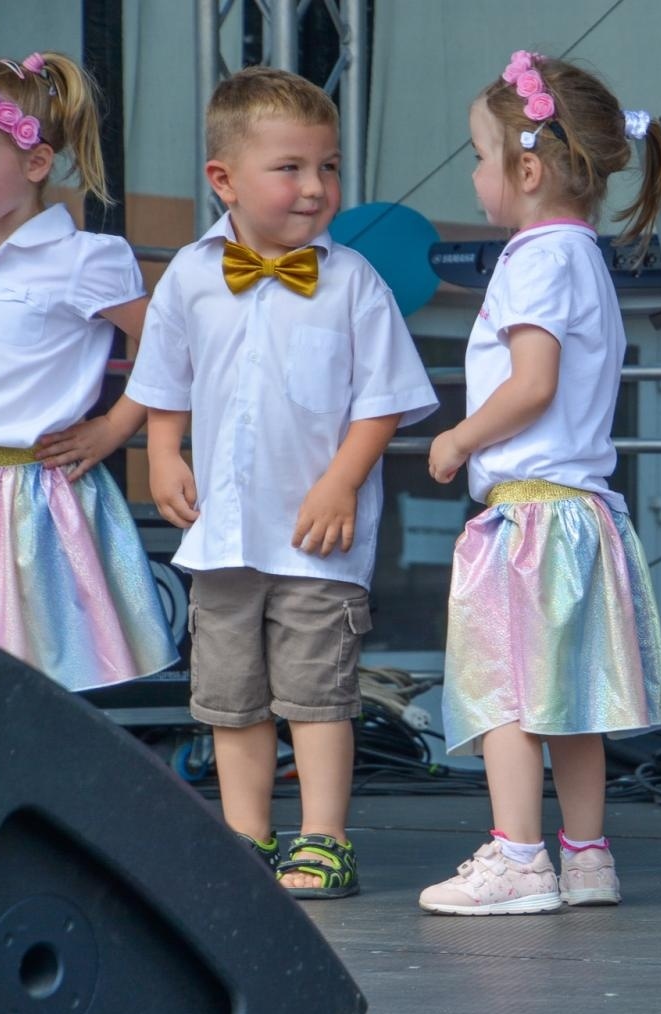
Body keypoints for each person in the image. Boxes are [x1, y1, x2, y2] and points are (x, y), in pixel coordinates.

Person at [128, 67, 438, 898]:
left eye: (328, 166)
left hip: (314, 539)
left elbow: (381, 404)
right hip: (225, 534)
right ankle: (245, 836)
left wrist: (340, 483)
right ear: (223, 179)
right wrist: (164, 452)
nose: (316, 187)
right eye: (291, 168)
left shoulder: (352, 283)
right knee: (229, 698)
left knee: (317, 693)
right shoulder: (191, 278)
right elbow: (164, 381)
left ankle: (325, 839)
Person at [418, 50, 661, 915]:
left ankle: (520, 855)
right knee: (572, 699)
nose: (480, 177)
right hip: (581, 516)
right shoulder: (584, 257)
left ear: (527, 169)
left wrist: (459, 436)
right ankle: (586, 853)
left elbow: (531, 383)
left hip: (529, 516)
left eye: (483, 159)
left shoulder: (533, 260)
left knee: (507, 692)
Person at [0, 50, 177, 691]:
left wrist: (116, 425)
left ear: (35, 163)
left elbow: (175, 347)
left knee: (32, 690)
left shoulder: (82, 260)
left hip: (28, 499)